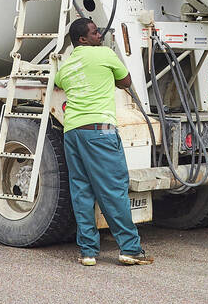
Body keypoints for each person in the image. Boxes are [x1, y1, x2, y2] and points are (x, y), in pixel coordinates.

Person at [53, 17, 153, 267]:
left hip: (73, 132)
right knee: (113, 190)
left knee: (82, 191)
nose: (100, 35)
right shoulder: (105, 55)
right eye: (95, 32)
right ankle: (130, 248)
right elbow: (127, 82)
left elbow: (58, 83)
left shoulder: (67, 65)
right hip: (100, 132)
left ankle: (88, 252)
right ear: (83, 39)